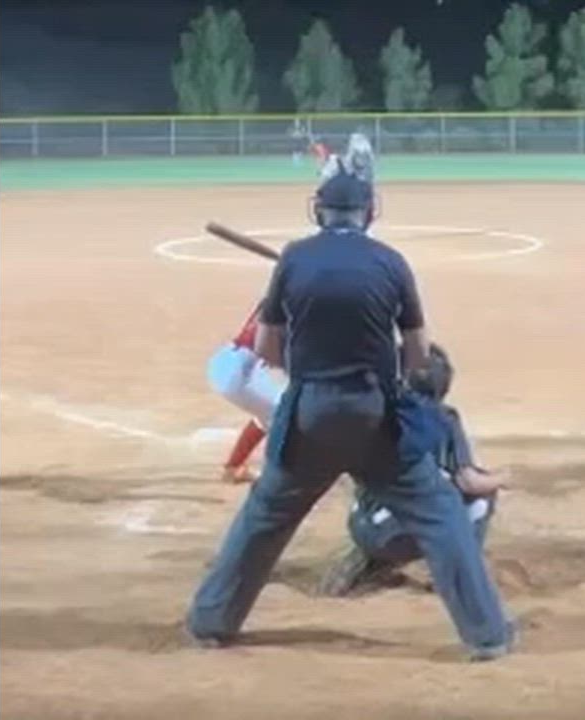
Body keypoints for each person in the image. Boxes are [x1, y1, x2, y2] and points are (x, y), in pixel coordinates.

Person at [184, 166, 515, 661]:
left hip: (310, 413)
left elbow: (268, 350)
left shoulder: (294, 259)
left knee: (265, 515)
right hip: (374, 414)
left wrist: (313, 355)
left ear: (319, 211)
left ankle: (210, 623)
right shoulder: (391, 263)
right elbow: (418, 356)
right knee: (441, 513)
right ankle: (487, 636)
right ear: (369, 213)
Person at [317, 343, 503, 597]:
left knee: (389, 493)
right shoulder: (445, 418)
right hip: (406, 531)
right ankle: (457, 572)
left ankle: (372, 559)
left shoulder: (371, 412)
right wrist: (504, 478)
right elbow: (469, 482)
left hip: (364, 526)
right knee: (481, 493)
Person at [205, 301, 284, 484]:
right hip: (241, 372)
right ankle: (279, 479)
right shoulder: (304, 303)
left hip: (225, 360)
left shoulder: (281, 295)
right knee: (287, 415)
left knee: (268, 414)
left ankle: (233, 468)